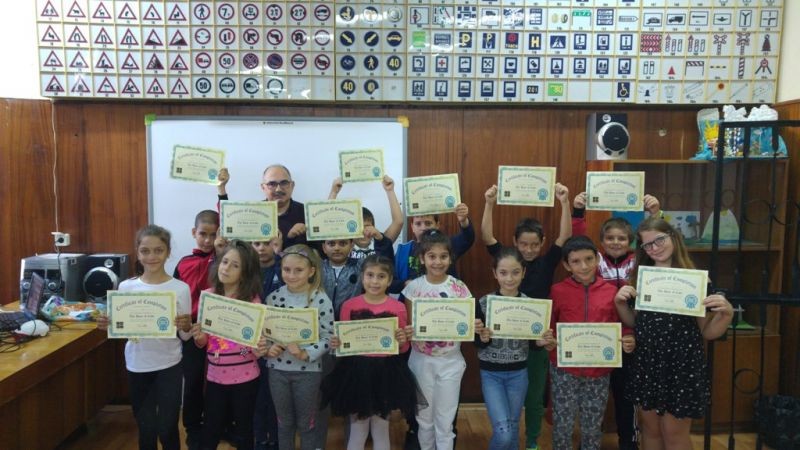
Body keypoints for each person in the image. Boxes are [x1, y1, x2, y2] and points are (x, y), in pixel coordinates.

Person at [614, 218, 733, 450]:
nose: (655, 248)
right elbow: (636, 323)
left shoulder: (696, 279)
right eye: (648, 245)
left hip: (682, 366)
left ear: (673, 237)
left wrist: (726, 315)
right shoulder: (640, 278)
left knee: (674, 433)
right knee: (650, 430)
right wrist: (620, 304)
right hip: (648, 362)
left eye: (659, 240)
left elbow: (707, 331)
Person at [481, 183, 571, 450]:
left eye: (534, 244)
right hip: (503, 346)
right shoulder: (507, 261)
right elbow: (487, 236)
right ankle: (507, 439)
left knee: (533, 397)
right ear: (515, 243)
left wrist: (564, 202)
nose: (529, 249)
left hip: (535, 342)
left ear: (542, 243)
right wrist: (489, 203)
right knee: (507, 410)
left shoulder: (547, 261)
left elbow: (565, 236)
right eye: (523, 244)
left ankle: (531, 441)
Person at [571, 191, 662, 449]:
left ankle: (629, 441)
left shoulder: (639, 262)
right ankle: (589, 439)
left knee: (626, 395)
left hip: (629, 339)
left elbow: (658, 242)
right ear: (601, 241)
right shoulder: (595, 262)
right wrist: (578, 212)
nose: (615, 242)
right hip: (597, 337)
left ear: (631, 241)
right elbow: (578, 241)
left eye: (621, 238)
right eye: (610, 238)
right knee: (592, 394)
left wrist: (655, 214)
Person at [96, 225, 192, 450]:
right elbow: (122, 329)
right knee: (146, 428)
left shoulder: (180, 288)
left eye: (159, 250)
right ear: (138, 253)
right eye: (145, 251)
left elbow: (186, 336)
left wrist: (186, 325)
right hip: (137, 365)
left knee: (167, 428)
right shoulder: (126, 287)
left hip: (169, 365)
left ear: (168, 252)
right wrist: (108, 325)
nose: (152, 256)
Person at [321, 255, 422, 450]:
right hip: (356, 373)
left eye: (381, 276)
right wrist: (336, 343)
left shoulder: (398, 307)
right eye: (370, 275)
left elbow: (403, 348)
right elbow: (343, 344)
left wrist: (403, 340)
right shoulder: (349, 306)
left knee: (381, 428)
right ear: (362, 277)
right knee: (358, 429)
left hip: (386, 373)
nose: (375, 281)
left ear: (390, 280)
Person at [548, 236, 636, 450]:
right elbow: (549, 326)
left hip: (599, 371)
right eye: (576, 261)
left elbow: (621, 324)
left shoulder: (611, 291)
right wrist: (548, 340)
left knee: (592, 426)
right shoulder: (558, 291)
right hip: (564, 369)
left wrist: (628, 337)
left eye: (589, 259)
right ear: (566, 265)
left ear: (597, 259)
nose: (584, 266)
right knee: (562, 425)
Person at [473, 247, 556, 450]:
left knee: (512, 427)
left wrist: (541, 342)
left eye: (515, 272)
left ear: (523, 272)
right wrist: (482, 337)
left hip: (518, 374)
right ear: (495, 273)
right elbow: (477, 342)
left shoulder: (530, 305)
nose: (509, 278)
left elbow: (532, 343)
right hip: (491, 374)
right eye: (503, 273)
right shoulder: (483, 303)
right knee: (503, 433)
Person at [400, 230, 472, 450]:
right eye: (432, 256)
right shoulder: (413, 288)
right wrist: (406, 332)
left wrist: (475, 326)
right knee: (424, 419)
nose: (438, 262)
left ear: (450, 259)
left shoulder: (459, 288)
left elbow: (467, 324)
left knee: (445, 421)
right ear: (422, 259)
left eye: (443, 256)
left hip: (451, 361)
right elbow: (409, 325)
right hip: (421, 361)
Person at [259, 244, 334, 450]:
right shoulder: (273, 298)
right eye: (286, 269)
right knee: (284, 423)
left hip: (308, 372)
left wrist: (306, 353)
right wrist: (268, 350)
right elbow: (264, 334)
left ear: (311, 271)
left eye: (298, 270)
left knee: (307, 424)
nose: (291, 275)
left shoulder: (320, 299)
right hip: (277, 370)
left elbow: (328, 336)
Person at [191, 240, 264, 450]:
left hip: (246, 378)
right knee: (210, 428)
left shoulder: (253, 302)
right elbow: (204, 341)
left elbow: (256, 347)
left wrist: (260, 348)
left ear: (245, 273)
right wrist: (198, 337)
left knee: (244, 430)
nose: (226, 268)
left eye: (235, 265)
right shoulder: (208, 296)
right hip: (216, 377)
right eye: (224, 262)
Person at [172, 209, 220, 448]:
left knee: (218, 382)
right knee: (192, 381)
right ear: (194, 232)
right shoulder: (183, 263)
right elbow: (174, 298)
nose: (208, 240)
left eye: (214, 235)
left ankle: (217, 426)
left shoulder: (223, 261)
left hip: (219, 331)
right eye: (203, 234)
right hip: (191, 332)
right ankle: (192, 428)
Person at [218, 165, 308, 248]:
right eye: (272, 184)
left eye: (284, 183)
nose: (278, 189)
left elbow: (315, 252)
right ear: (263, 187)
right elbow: (228, 217)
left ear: (292, 185)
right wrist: (221, 188)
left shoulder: (307, 214)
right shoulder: (250, 213)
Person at [393, 203, 475, 292]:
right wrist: (405, 284)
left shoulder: (448, 244)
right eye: (418, 224)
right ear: (412, 227)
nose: (423, 228)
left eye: (428, 223)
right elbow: (389, 282)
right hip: (412, 297)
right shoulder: (403, 251)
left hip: (446, 297)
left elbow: (467, 238)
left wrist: (463, 221)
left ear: (437, 225)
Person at [252, 234, 284, 450]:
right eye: (257, 243)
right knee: (257, 393)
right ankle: (260, 438)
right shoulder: (247, 270)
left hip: (279, 341)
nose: (262, 248)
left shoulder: (283, 268)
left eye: (267, 243)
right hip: (253, 342)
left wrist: (280, 254)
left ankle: (275, 438)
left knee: (275, 394)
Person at [328, 175, 405, 260]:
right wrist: (334, 192)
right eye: (358, 228)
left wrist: (390, 191)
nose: (363, 232)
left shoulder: (382, 243)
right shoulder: (344, 246)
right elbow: (326, 225)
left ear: (374, 228)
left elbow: (398, 222)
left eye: (367, 226)